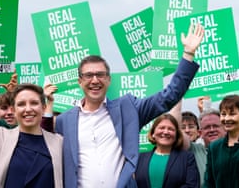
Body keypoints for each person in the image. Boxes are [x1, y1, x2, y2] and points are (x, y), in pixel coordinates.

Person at [52, 23, 204, 187]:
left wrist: (188, 54)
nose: (95, 80)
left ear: (109, 80)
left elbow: (169, 96)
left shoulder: (128, 109)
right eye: (88, 75)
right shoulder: (64, 121)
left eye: (100, 75)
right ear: (80, 81)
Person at [135, 114, 200, 187]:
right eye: (162, 128)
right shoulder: (140, 158)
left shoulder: (187, 158)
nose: (166, 132)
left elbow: (192, 185)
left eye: (170, 129)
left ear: (176, 135)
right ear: (153, 133)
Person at [204, 94, 239, 187]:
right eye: (223, 114)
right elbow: (209, 182)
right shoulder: (214, 147)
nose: (227, 118)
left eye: (232, 114)